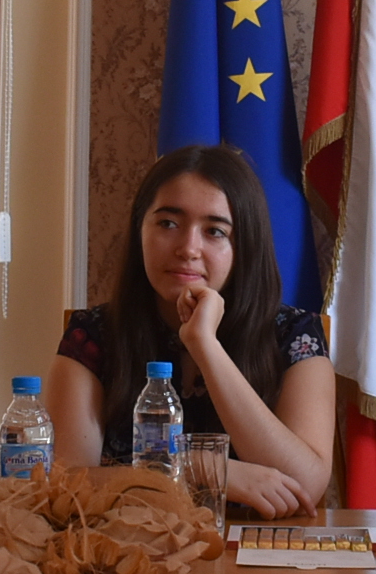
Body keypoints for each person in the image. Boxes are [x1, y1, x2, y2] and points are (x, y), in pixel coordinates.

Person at [48, 145, 333, 518]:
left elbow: (305, 484)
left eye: (214, 231)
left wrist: (204, 345)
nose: (188, 248)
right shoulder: (93, 335)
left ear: (244, 246)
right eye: (168, 223)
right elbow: (64, 484)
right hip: (129, 544)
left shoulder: (297, 335)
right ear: (139, 230)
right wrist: (201, 467)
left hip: (256, 549)